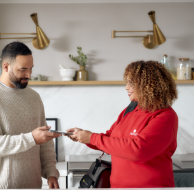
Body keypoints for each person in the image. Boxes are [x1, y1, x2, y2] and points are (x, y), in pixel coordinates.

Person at [66, 60, 178, 188]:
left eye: (131, 83)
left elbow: (138, 150)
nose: (126, 87)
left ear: (147, 85)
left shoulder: (165, 116)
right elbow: (110, 139)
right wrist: (83, 136)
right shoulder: (130, 109)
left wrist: (92, 137)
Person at [0, 41, 61, 189]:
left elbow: (45, 141)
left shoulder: (34, 97)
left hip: (31, 185)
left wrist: (50, 172)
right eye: (23, 69)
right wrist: (31, 138)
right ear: (6, 66)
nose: (29, 75)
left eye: (31, 69)